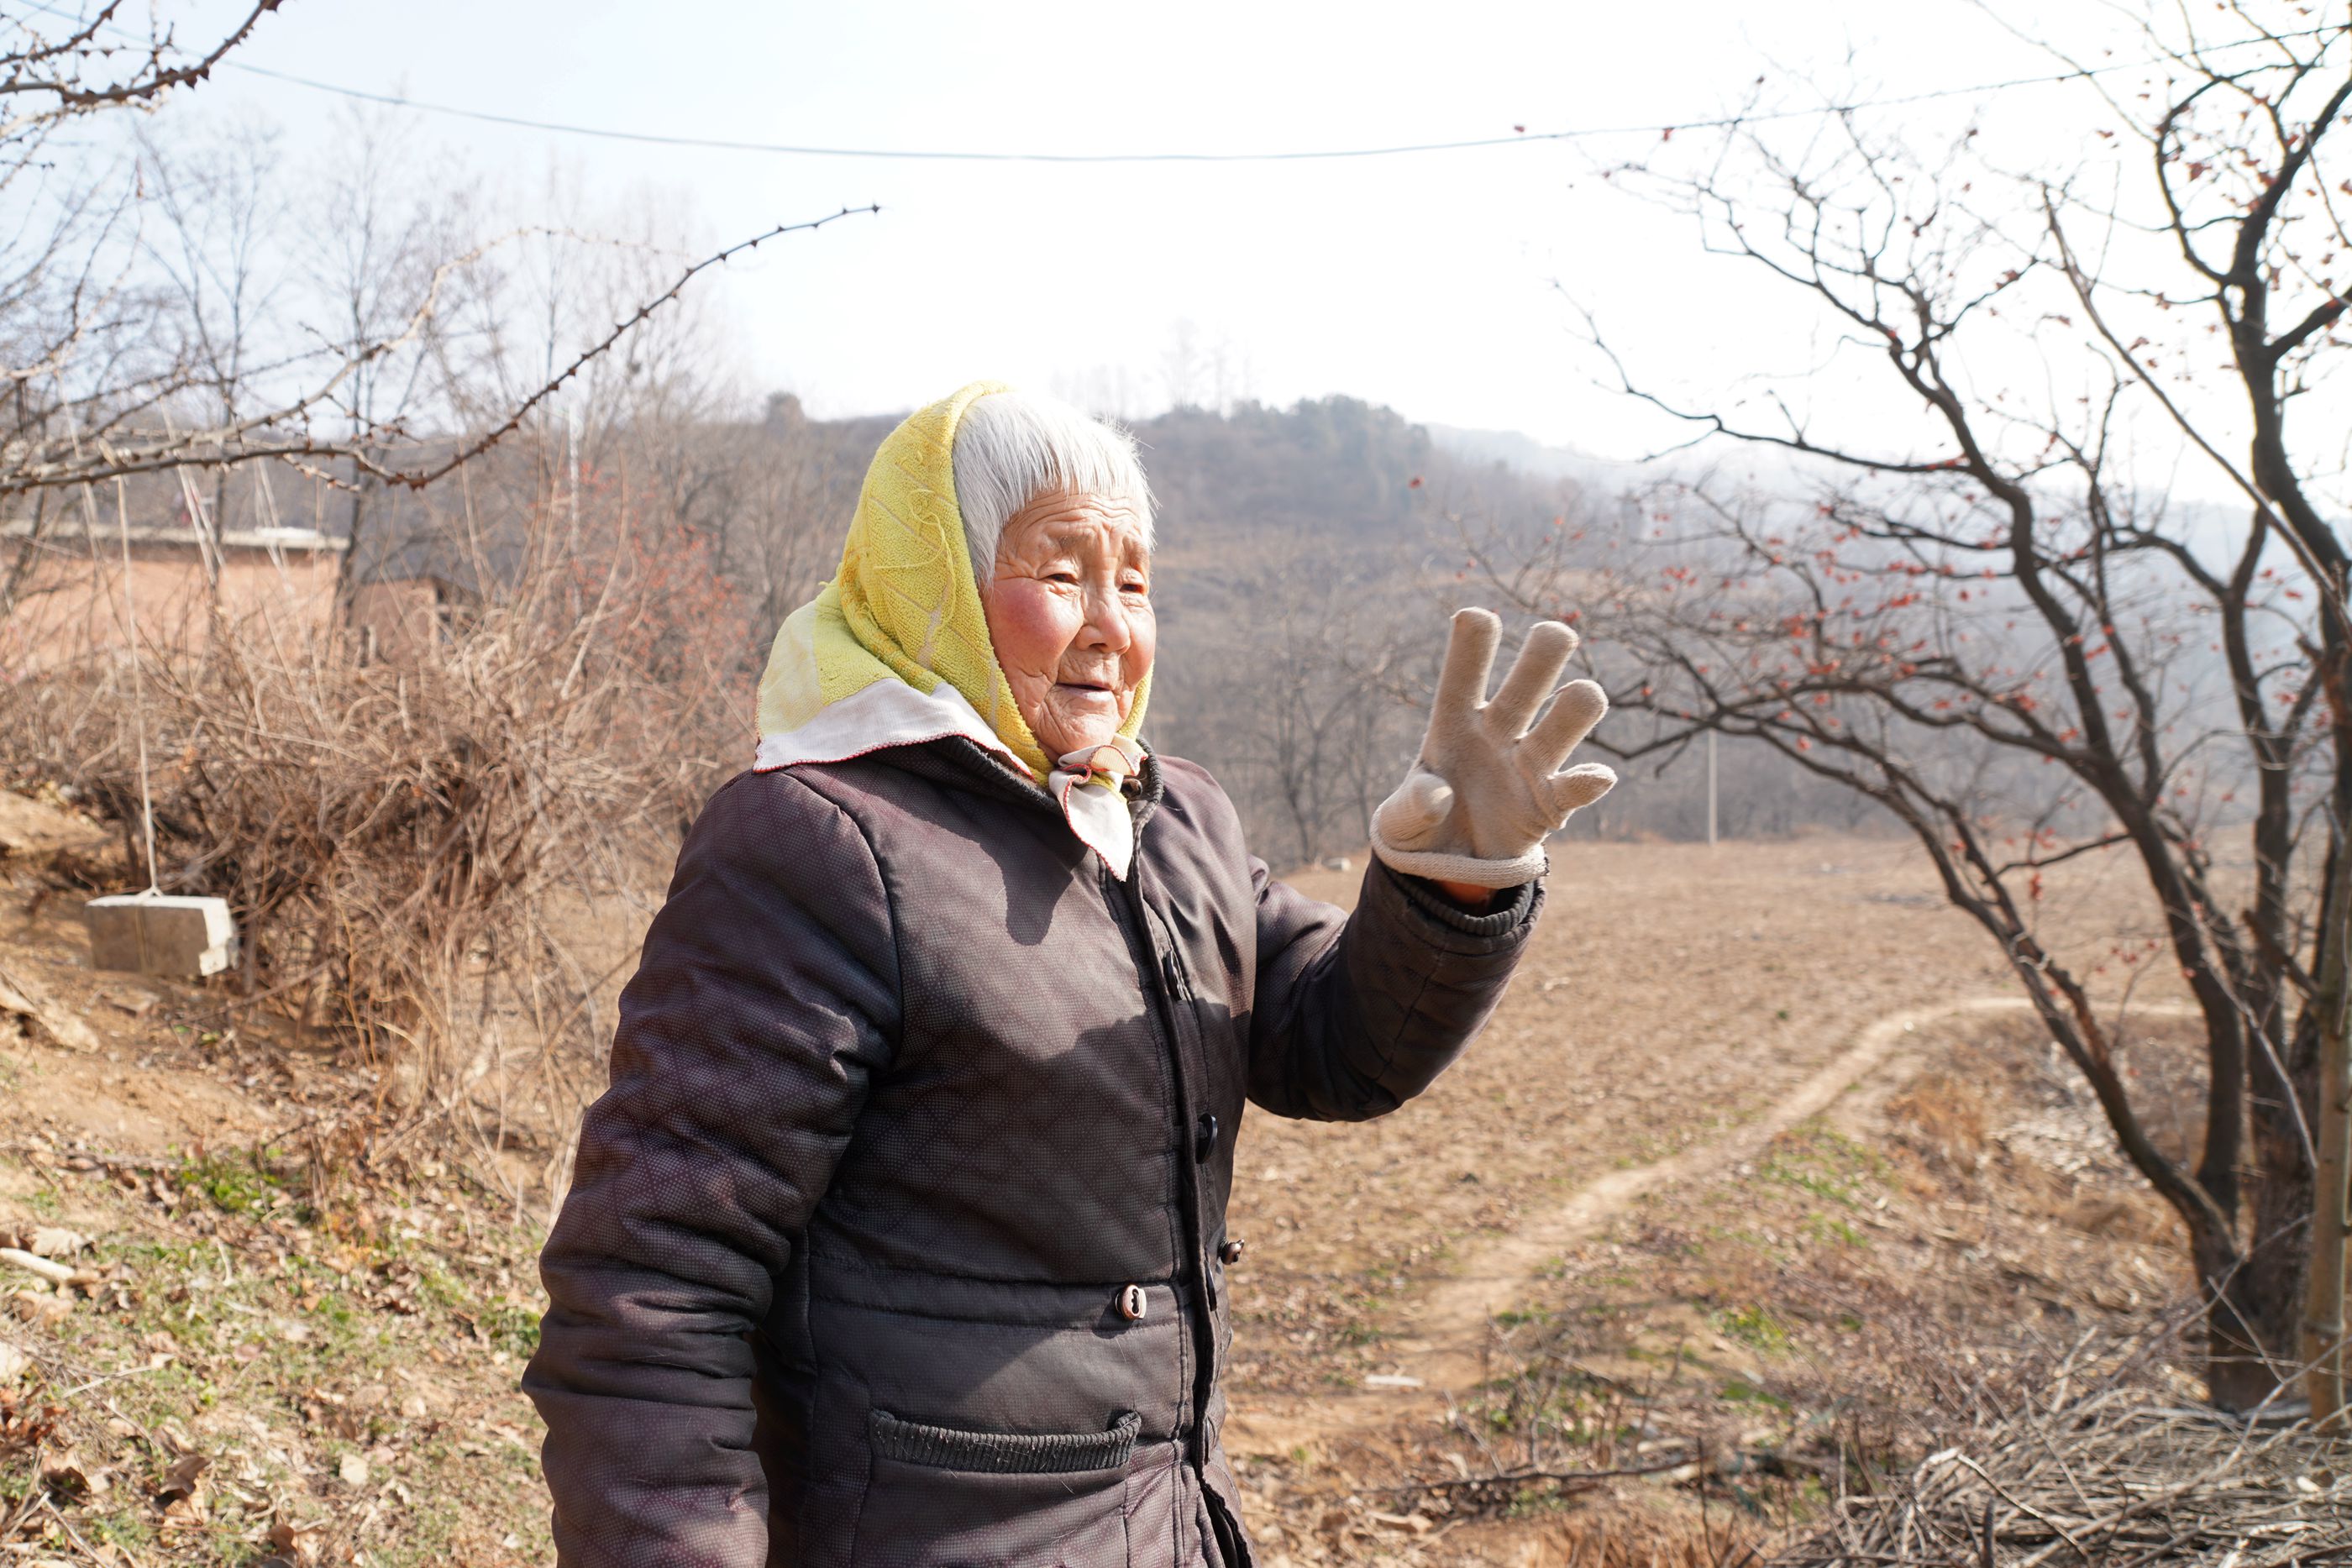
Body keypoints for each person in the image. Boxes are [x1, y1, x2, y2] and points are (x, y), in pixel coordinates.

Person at [523, 383, 1617, 1567]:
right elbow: (654, 1290)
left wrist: (1453, 882)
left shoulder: (1169, 814)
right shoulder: (819, 842)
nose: (1110, 625)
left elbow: (1329, 1042)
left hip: (1167, 1530)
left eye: (1134, 582)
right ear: (932, 581)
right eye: (1060, 573)